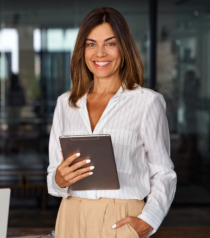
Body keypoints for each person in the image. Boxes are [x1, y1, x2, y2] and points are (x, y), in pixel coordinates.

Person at [47, 7, 177, 238]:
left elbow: (163, 173)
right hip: (71, 216)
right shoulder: (65, 103)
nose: (100, 53)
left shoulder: (148, 102)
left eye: (110, 43)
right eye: (91, 44)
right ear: (82, 50)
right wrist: (58, 179)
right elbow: (53, 175)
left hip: (121, 219)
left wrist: (149, 219)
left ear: (124, 48)